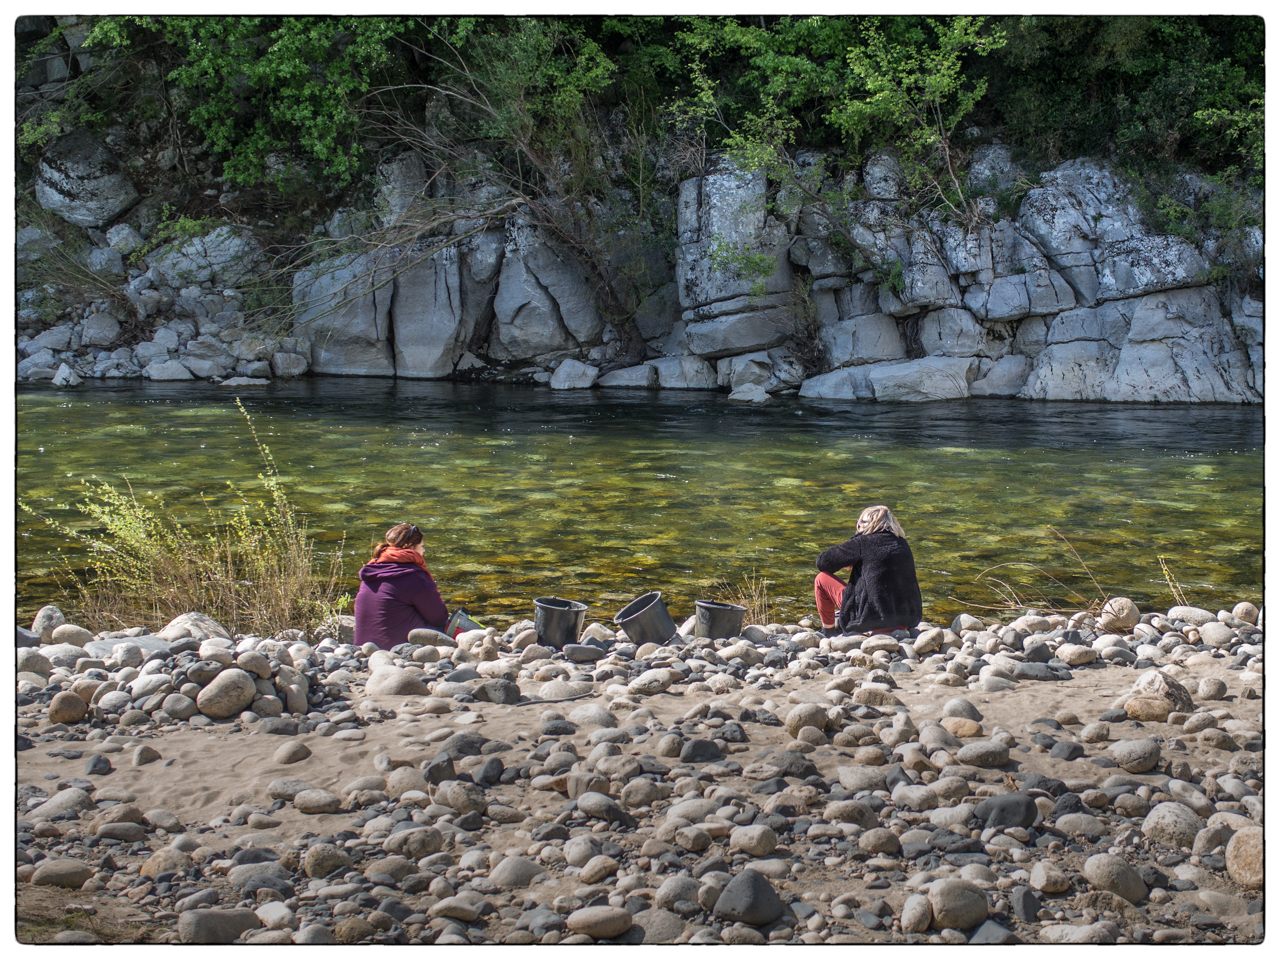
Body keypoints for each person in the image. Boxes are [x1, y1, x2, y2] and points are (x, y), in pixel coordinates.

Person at [814, 505, 922, 637]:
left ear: (866, 525)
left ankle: (828, 631)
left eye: (860, 524)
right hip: (906, 620)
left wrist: (846, 563)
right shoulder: (902, 544)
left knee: (821, 578)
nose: (858, 528)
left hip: (871, 620)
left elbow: (823, 562)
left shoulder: (862, 542)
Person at [354, 522, 449, 650]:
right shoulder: (414, 575)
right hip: (397, 648)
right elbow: (438, 618)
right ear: (410, 546)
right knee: (455, 623)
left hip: (362, 649)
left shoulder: (372, 571)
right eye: (422, 546)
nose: (423, 550)